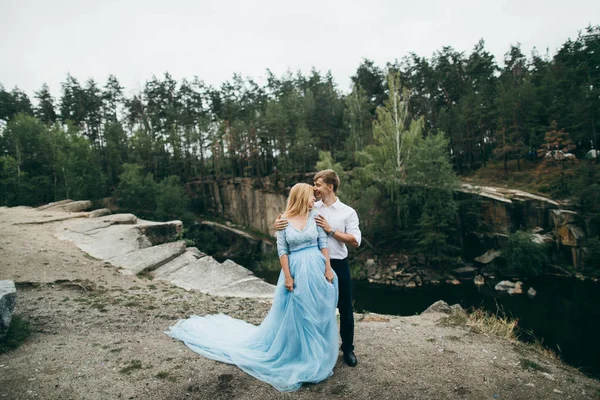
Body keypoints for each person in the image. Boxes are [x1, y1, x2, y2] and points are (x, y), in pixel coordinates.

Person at [165, 183, 339, 392]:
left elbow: (323, 243)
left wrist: (328, 268)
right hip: (295, 270)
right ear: (302, 197)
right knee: (298, 314)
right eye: (312, 196)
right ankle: (301, 356)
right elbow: (282, 251)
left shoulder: (316, 216)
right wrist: (288, 276)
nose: (315, 200)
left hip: (317, 268)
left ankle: (318, 354)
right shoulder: (283, 221)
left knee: (317, 311)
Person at [274, 169, 361, 367]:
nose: (315, 189)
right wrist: (277, 223)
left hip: (338, 263)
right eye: (313, 185)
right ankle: (320, 348)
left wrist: (331, 230)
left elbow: (356, 240)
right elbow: (291, 219)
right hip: (313, 267)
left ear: (330, 187)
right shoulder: (312, 206)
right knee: (318, 309)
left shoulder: (348, 212)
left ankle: (348, 349)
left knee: (345, 308)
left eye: (318, 185)